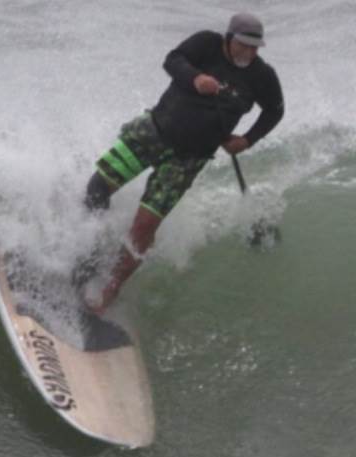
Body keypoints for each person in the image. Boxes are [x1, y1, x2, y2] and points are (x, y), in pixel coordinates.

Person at [77, 12, 284, 313]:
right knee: (97, 188)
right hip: (152, 132)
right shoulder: (207, 44)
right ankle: (87, 257)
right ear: (229, 38)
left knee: (143, 229)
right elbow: (172, 60)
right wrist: (195, 78)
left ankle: (110, 290)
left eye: (255, 48)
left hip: (187, 160)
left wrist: (247, 140)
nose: (249, 53)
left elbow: (275, 111)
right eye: (244, 45)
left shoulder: (262, 76)